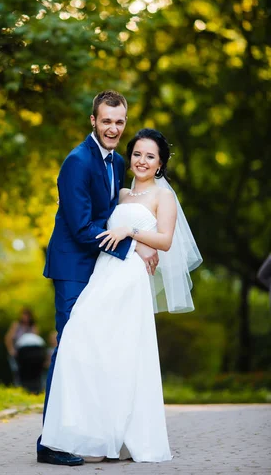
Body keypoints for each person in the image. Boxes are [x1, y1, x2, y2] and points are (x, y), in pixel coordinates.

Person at [41, 128, 202, 463]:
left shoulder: (163, 196)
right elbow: (96, 220)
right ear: (130, 158)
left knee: (123, 353)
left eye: (150, 156)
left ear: (160, 164)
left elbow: (167, 240)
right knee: (84, 343)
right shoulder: (121, 192)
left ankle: (116, 437)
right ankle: (93, 434)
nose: (142, 161)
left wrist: (133, 233)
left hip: (130, 281)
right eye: (138, 154)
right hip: (104, 272)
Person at [37, 92, 160, 467]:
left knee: (93, 351)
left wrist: (129, 243)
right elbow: (79, 226)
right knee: (70, 348)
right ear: (93, 120)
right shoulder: (76, 161)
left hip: (100, 268)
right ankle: (50, 442)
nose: (113, 128)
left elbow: (111, 215)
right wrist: (133, 248)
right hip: (73, 267)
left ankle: (82, 431)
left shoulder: (118, 160)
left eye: (119, 122)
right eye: (106, 121)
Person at [5, 308, 38, 385]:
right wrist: (11, 350)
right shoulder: (16, 325)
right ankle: (18, 386)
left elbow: (36, 339)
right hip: (17, 352)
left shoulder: (33, 327)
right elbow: (8, 338)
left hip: (29, 354)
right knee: (17, 371)